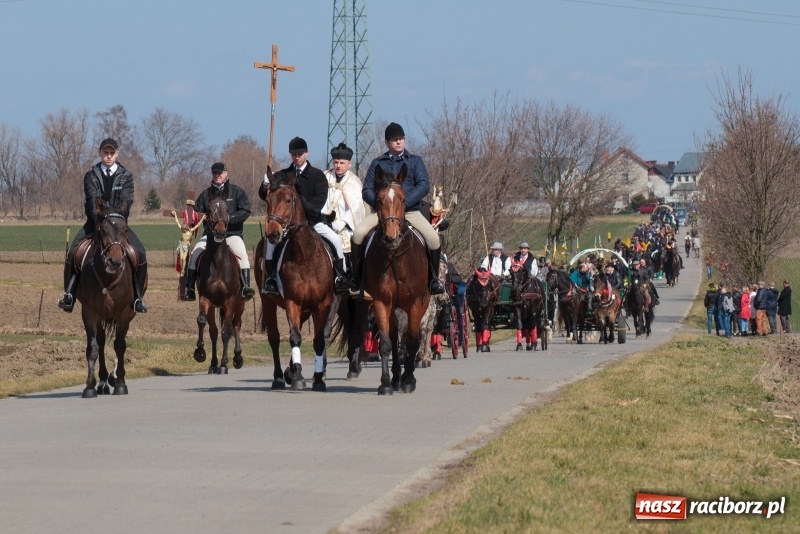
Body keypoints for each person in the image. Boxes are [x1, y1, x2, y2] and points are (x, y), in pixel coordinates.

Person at [345, 122, 444, 295]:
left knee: (434, 240)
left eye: (401, 139)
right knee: (358, 235)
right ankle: (356, 276)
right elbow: (366, 190)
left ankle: (434, 280)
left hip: (410, 211)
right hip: (383, 213)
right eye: (395, 140)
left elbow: (424, 185)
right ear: (387, 143)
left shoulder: (415, 161)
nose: (399, 142)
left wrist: (404, 203)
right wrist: (380, 205)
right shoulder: (377, 163)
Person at [58, 138, 148, 314]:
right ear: (100, 153)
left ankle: (138, 298)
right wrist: (101, 220)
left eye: (112, 153)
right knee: (72, 254)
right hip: (95, 223)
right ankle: (69, 295)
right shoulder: (91, 176)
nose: (108, 156)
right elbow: (92, 202)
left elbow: (126, 202)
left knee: (140, 253)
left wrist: (115, 217)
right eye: (105, 153)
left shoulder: (126, 176)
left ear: (117, 154)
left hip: (119, 225)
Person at [261, 137, 351, 296]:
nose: (297, 157)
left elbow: (319, 202)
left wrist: (303, 211)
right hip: (286, 225)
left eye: (300, 154)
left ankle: (340, 277)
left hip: (313, 221)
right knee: (270, 245)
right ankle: (271, 279)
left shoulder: (317, 176)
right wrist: (265, 184)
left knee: (335, 240)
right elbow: (266, 196)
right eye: (294, 154)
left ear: (307, 153)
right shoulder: (282, 175)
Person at [184, 162, 256, 301]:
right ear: (212, 174)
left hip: (232, 234)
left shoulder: (236, 191)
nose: (218, 175)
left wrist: (230, 219)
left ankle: (246, 287)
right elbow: (197, 214)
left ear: (226, 174)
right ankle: (190, 289)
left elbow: (245, 210)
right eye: (215, 173)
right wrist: (190, 218)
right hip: (210, 236)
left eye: (220, 173)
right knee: (194, 254)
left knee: (242, 255)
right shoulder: (205, 195)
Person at [171, 208, 206, 277]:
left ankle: (183, 271)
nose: (185, 225)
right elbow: (177, 222)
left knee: (184, 259)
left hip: (186, 246)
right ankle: (181, 270)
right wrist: (175, 215)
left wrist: (202, 219)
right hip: (182, 245)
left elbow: (198, 225)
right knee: (181, 259)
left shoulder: (191, 231)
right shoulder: (182, 230)